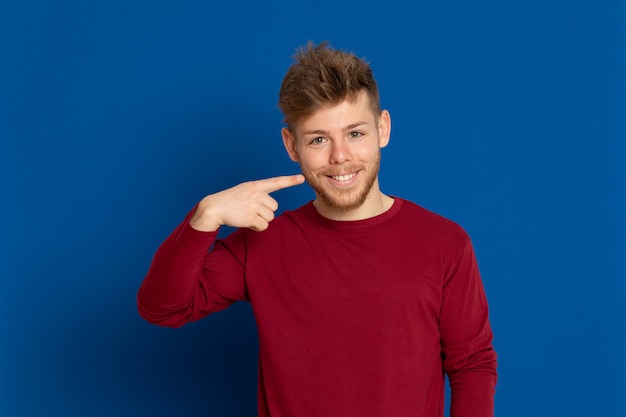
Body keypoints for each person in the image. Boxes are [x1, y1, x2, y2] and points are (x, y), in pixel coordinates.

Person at [138, 41, 497, 417]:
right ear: (292, 145)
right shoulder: (262, 244)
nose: (339, 155)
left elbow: (472, 364)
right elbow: (162, 308)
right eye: (319, 139)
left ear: (383, 129)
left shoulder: (444, 243)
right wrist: (203, 218)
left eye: (355, 133)